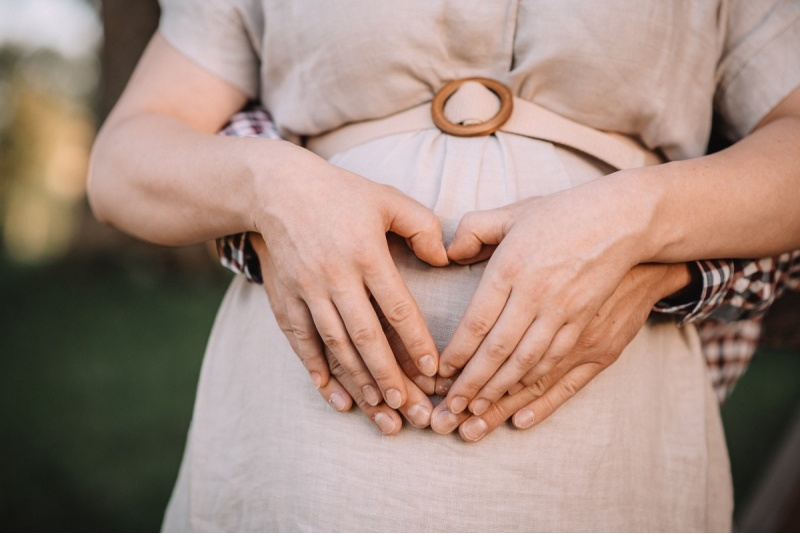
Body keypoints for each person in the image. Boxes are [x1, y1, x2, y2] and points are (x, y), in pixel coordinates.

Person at [88, 1, 800, 531]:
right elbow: (123, 161)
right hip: (301, 423)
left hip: (608, 424)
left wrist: (637, 219)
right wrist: (271, 187)